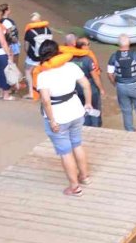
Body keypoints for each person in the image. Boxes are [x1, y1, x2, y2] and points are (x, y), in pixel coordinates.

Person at [34, 40, 93, 197]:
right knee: (77, 144)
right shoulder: (72, 66)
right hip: (76, 110)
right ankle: (85, 177)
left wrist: (52, 120)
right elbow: (86, 85)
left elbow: (46, 100)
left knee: (65, 152)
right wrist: (87, 103)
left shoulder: (43, 75)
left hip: (59, 116)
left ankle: (74, 187)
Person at [107, 34, 136, 132]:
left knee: (126, 112)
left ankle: (129, 132)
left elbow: (110, 74)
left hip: (121, 86)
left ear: (118, 44)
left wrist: (115, 84)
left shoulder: (114, 56)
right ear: (129, 43)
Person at [71, 37, 105, 127]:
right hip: (90, 87)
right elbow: (95, 77)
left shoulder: (71, 58)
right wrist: (101, 89)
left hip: (76, 87)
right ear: (83, 47)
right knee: (94, 107)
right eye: (88, 44)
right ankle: (96, 126)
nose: (89, 46)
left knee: (82, 108)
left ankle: (85, 125)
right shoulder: (88, 60)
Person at [23, 12, 53, 100]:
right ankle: (48, 92)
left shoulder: (30, 32)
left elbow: (26, 46)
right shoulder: (48, 30)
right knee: (44, 73)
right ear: (40, 20)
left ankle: (31, 93)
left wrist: (28, 54)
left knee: (28, 71)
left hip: (33, 56)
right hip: (46, 56)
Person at [0, 3, 21, 72]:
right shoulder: (8, 22)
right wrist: (16, 42)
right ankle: (14, 80)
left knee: (7, 62)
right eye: (9, 8)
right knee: (14, 63)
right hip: (11, 44)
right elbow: (11, 34)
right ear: (6, 11)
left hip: (4, 43)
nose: (10, 10)